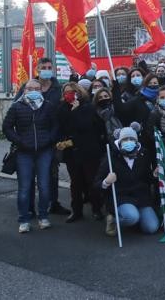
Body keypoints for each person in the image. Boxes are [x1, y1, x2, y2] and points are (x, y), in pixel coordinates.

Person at [3, 79, 61, 233]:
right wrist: (19, 141)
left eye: (37, 88)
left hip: (44, 151)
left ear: (41, 90)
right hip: (24, 152)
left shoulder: (47, 106)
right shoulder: (17, 106)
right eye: (30, 88)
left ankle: (43, 217)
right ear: (25, 90)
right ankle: (23, 219)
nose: (34, 90)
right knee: (24, 187)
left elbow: (55, 125)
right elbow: (7, 127)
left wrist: (49, 140)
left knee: (44, 186)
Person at [96, 124, 160, 236]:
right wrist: (106, 181)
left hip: (141, 197)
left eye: (132, 139)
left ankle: (134, 219)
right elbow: (96, 183)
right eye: (125, 139)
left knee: (151, 228)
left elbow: (146, 178)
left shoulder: (143, 155)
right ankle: (114, 220)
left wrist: (154, 175)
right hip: (122, 197)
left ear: (136, 141)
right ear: (120, 141)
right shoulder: (111, 157)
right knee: (132, 217)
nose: (129, 141)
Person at [56, 82, 106, 223]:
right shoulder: (61, 109)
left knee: (92, 181)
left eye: (72, 91)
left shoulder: (88, 107)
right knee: (76, 182)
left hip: (89, 150)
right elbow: (62, 127)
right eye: (66, 92)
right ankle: (76, 210)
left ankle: (96, 208)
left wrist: (76, 111)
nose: (69, 94)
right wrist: (61, 141)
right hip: (71, 151)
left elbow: (85, 126)